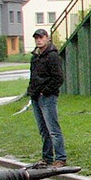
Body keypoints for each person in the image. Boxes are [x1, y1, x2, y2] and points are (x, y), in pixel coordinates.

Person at [27, 28, 68, 168]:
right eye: (36, 38)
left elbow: (58, 78)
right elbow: (33, 77)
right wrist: (31, 91)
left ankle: (61, 158)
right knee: (43, 130)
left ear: (47, 38)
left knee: (53, 129)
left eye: (41, 37)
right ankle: (47, 158)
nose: (39, 40)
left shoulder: (52, 56)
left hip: (47, 97)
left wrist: (46, 91)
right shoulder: (35, 57)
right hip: (35, 96)